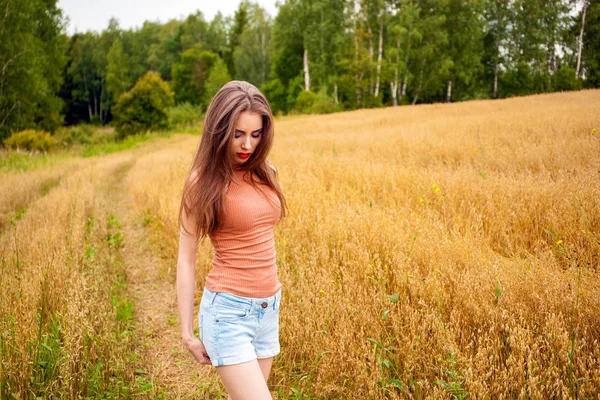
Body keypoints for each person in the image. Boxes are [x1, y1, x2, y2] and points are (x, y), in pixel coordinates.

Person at [176, 80, 287, 400]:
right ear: (219, 129)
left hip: (268, 310)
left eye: (256, 134)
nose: (247, 145)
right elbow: (186, 258)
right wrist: (187, 333)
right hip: (228, 313)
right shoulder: (203, 181)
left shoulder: (266, 171)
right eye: (238, 134)